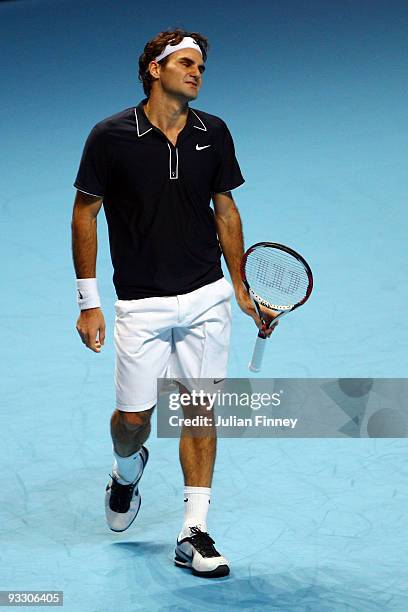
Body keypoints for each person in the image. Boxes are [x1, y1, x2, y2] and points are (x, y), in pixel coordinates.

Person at [71, 28, 275, 579]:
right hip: (141, 302)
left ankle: (193, 532)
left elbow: (225, 211)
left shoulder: (215, 131)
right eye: (186, 64)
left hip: (206, 293)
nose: (197, 73)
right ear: (155, 70)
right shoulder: (110, 137)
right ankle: (125, 469)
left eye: (202, 67)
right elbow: (84, 215)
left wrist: (239, 285)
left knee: (201, 410)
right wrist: (89, 302)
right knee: (133, 419)